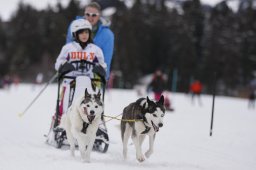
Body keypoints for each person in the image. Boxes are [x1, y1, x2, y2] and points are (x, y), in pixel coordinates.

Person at [55, 18, 107, 118]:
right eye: (81, 32)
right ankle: (63, 122)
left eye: (86, 32)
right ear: (75, 34)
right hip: (70, 83)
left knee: (91, 107)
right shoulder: (68, 48)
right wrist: (63, 66)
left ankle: (95, 124)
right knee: (67, 106)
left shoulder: (96, 50)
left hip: (90, 83)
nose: (84, 35)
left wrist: (100, 69)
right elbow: (58, 64)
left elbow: (103, 65)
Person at [66, 2, 114, 80]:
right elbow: (68, 50)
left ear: (99, 16)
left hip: (94, 75)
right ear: (84, 14)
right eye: (88, 14)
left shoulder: (107, 35)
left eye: (94, 15)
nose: (90, 17)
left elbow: (106, 60)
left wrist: (104, 77)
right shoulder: (74, 27)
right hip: (74, 71)